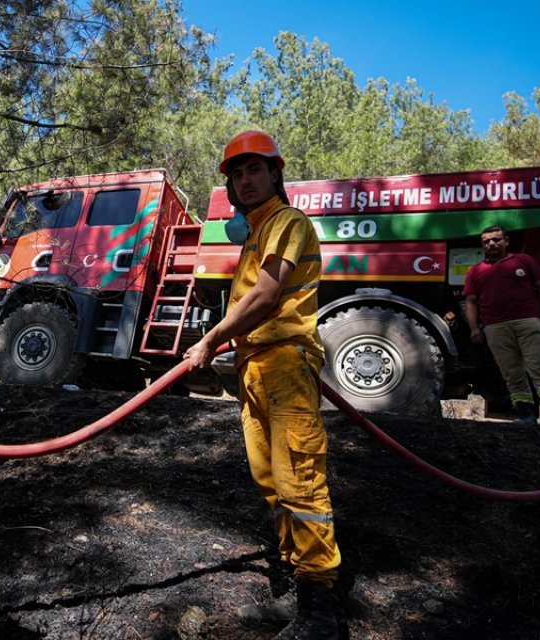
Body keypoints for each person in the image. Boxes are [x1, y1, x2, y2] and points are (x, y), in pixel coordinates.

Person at [184, 130, 341, 640]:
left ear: (276, 173)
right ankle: (296, 589)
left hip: (284, 363)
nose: (245, 180)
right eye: (237, 174)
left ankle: (321, 614)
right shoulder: (255, 233)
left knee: (299, 480)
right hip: (256, 365)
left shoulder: (286, 222)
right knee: (271, 481)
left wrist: (210, 340)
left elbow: (266, 296)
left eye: (254, 169)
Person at [463, 225, 540, 427]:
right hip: (495, 327)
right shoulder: (476, 271)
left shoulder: (524, 261)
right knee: (511, 373)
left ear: (506, 241)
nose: (491, 244)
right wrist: (475, 328)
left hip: (528, 322)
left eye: (496, 239)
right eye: (486, 241)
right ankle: (526, 415)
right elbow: (471, 302)